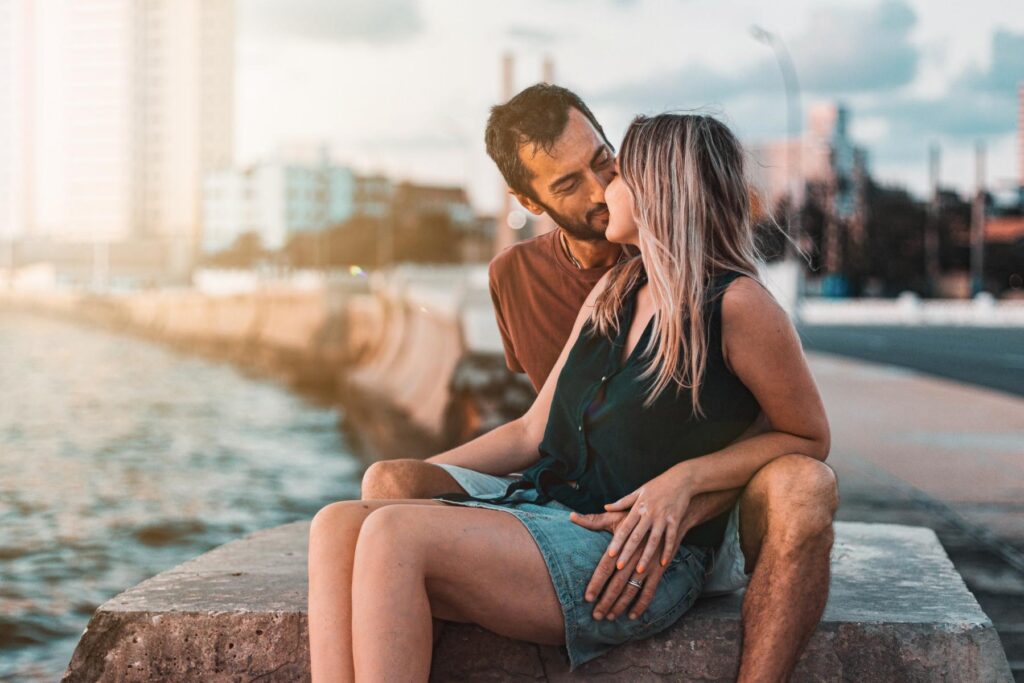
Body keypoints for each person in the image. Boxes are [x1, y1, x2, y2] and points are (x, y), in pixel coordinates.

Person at [308, 110, 837, 681]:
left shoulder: (736, 305)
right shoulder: (617, 290)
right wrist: (407, 479)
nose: (606, 191)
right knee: (339, 525)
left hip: (631, 554)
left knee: (393, 536)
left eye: (617, 174)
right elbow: (533, 430)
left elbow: (807, 435)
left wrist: (687, 478)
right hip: (550, 509)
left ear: (659, 192)